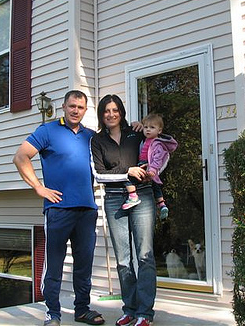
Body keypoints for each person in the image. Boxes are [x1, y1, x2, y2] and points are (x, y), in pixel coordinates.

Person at [13, 90, 105, 326]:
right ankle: (52, 314)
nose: (76, 110)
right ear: (64, 106)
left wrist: (136, 126)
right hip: (58, 209)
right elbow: (21, 157)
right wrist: (38, 188)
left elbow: (116, 141)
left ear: (85, 110)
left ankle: (82, 310)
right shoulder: (48, 131)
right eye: (72, 106)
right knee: (54, 264)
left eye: (80, 107)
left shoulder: (91, 137)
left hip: (87, 210)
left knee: (84, 264)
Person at [90, 94, 157, 326]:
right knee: (123, 260)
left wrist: (152, 169)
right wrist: (127, 172)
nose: (111, 114)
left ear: (121, 112)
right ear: (102, 114)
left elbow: (156, 147)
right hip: (114, 199)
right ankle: (130, 308)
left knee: (145, 256)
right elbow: (98, 174)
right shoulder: (97, 140)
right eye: (106, 110)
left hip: (144, 196)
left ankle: (145, 314)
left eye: (115, 109)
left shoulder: (136, 132)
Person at [121, 113, 178, 221]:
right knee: (155, 186)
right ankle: (161, 204)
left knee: (128, 177)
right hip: (144, 164)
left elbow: (158, 158)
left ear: (159, 131)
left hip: (148, 165)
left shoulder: (158, 144)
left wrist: (153, 169)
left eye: (152, 127)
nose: (148, 130)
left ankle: (133, 196)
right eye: (146, 127)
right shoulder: (145, 140)